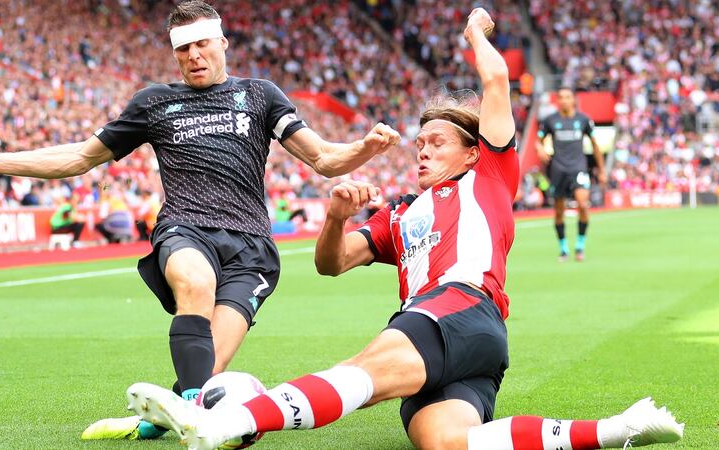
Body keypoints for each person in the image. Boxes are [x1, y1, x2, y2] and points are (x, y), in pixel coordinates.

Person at [123, 9, 683, 450]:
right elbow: (331, 263)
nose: (422, 151)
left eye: (437, 142)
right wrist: (336, 215)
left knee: (359, 373)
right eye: (419, 143)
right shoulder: (398, 213)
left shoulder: (489, 175)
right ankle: (618, 429)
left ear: (472, 152)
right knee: (447, 441)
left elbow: (494, 80)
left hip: (459, 307)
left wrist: (475, 33)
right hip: (469, 346)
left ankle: (224, 422)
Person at [0, 0, 399, 441]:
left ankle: (157, 420)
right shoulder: (155, 102)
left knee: (207, 372)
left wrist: (364, 148)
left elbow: (323, 158)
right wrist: (1, 163)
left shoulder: (261, 95)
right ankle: (196, 416)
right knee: (195, 283)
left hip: (252, 250)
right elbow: (80, 156)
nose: (194, 55)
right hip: (185, 229)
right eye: (183, 48)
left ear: (222, 43)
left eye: (202, 44)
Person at [536, 87, 605, 262]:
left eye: (567, 97)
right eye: (561, 97)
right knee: (559, 211)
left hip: (578, 168)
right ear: (557, 100)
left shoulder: (583, 120)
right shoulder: (550, 121)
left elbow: (595, 145)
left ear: (573, 100)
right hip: (558, 169)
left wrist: (602, 170)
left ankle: (580, 247)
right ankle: (563, 249)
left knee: (583, 205)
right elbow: (538, 141)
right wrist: (540, 149)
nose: (564, 100)